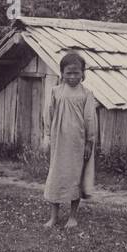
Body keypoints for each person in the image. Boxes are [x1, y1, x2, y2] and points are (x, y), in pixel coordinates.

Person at [41, 51, 98, 228]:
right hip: (59, 142)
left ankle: (72, 216)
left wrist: (89, 142)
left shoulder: (86, 94)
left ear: (83, 73)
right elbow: (48, 114)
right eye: (68, 73)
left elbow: (90, 119)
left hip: (77, 144)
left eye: (76, 73)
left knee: (75, 178)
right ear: (62, 73)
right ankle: (54, 216)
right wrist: (48, 137)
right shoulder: (56, 92)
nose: (72, 76)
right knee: (56, 176)